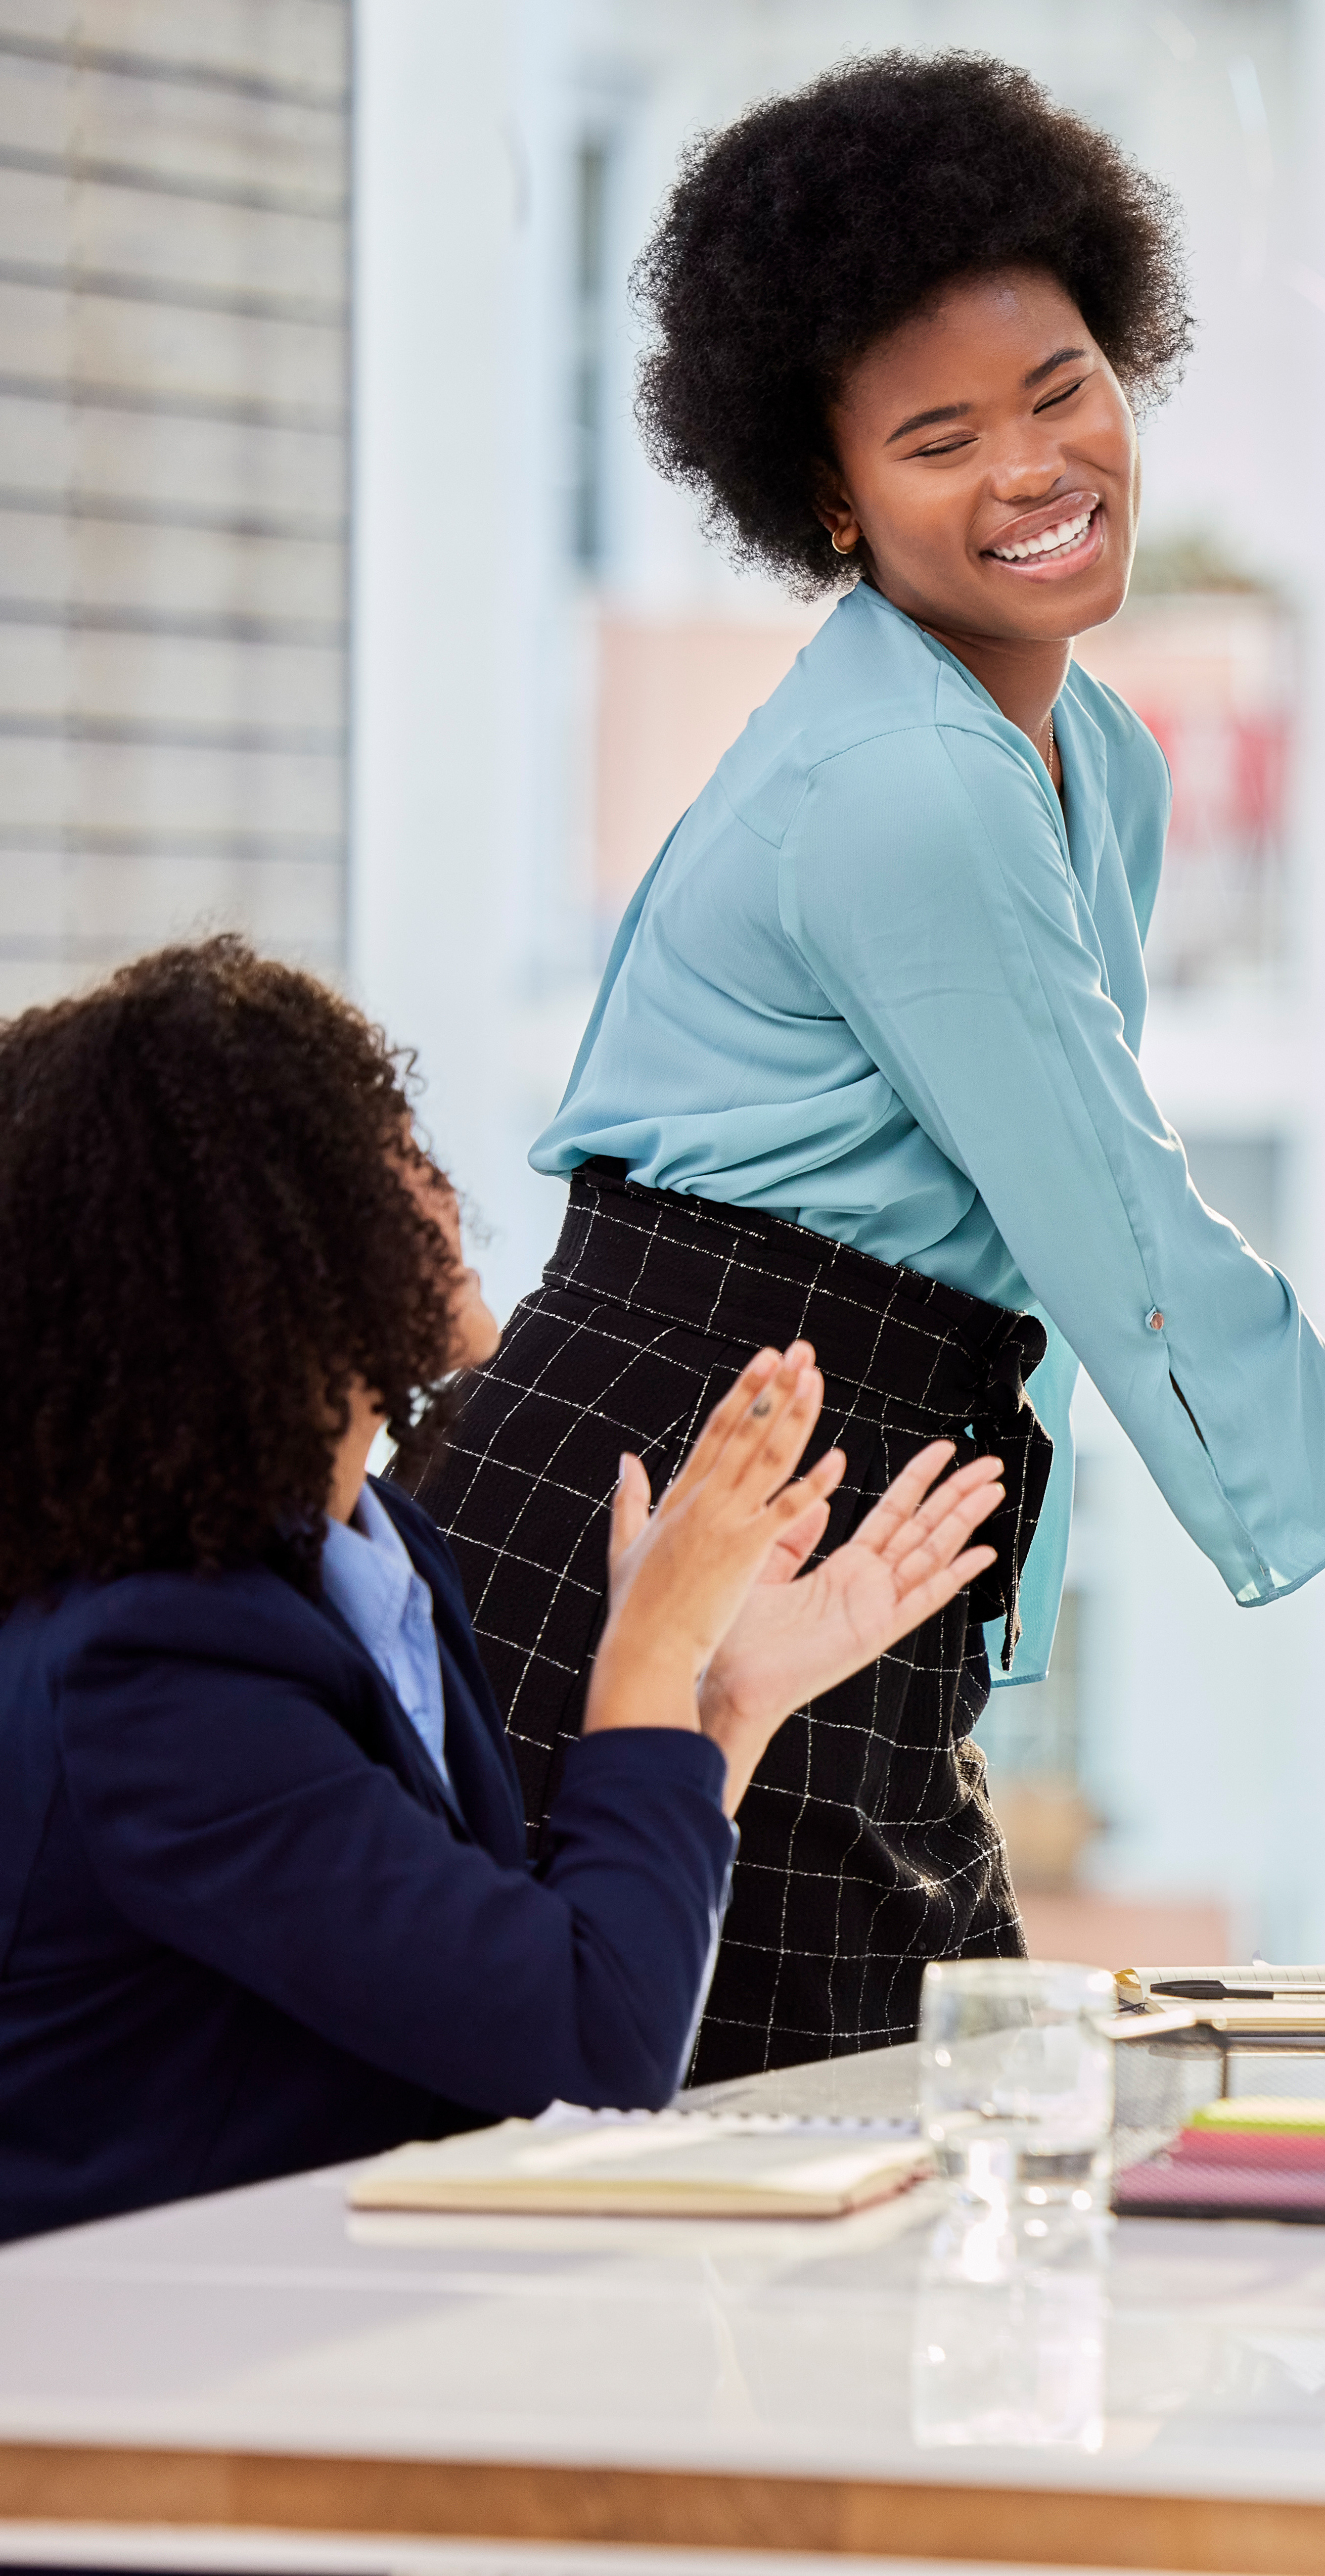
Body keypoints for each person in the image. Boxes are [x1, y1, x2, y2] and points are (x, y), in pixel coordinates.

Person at [414, 54, 1325, 2081]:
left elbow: (1044, 1247)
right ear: (831, 497)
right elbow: (1126, 1248)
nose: (1031, 465)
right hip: (672, 1503)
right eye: (938, 436)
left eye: (1063, 388)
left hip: (833, 1501)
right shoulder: (907, 784)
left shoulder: (1097, 761)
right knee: (804, 2192)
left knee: (887, 2173)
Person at [0, 941, 1008, 2244]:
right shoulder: (154, 1671)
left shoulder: (381, 1555)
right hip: (140, 2387)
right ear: (252, 1251)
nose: (443, 1196)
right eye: (387, 1162)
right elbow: (587, 2050)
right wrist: (647, 1653)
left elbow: (523, 1961)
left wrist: (723, 1699)